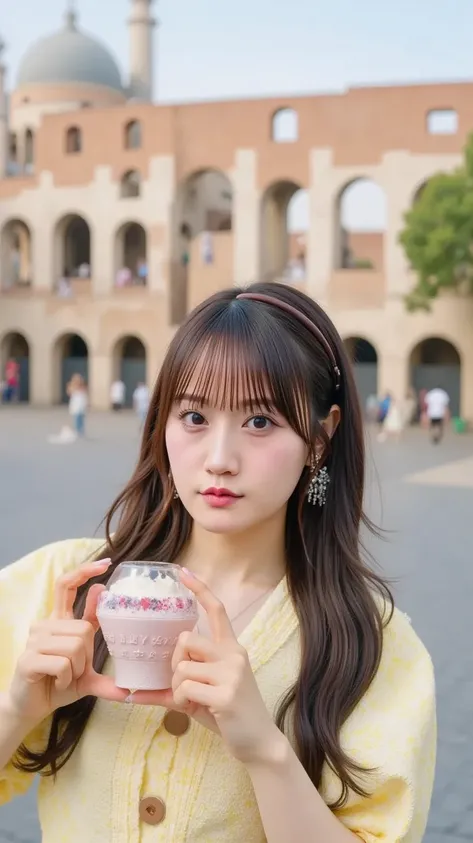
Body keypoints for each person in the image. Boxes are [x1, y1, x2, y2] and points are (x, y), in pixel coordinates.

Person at [0, 282, 436, 843]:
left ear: (321, 438)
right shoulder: (62, 589)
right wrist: (17, 707)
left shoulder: (371, 644)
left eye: (260, 422)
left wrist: (266, 753)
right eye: (194, 417)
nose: (220, 460)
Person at [66, 374, 88, 438]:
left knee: (81, 419)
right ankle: (78, 431)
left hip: (81, 405)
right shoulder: (72, 387)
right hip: (76, 405)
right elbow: (69, 393)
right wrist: (70, 386)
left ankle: (81, 431)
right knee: (77, 418)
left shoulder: (82, 387)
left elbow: (84, 395)